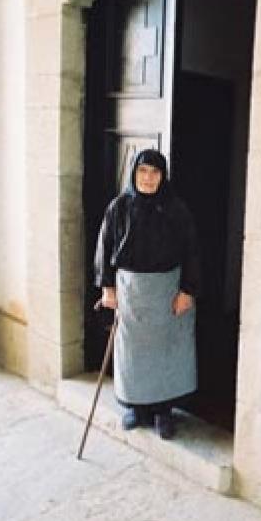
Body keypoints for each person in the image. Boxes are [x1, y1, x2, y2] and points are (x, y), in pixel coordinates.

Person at [93, 149, 200, 439]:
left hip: (167, 291)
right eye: (143, 171)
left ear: (163, 176)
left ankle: (163, 411)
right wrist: (108, 289)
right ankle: (135, 408)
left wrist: (187, 291)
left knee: (165, 353)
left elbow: (191, 251)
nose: (149, 178)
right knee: (133, 353)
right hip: (132, 292)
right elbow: (104, 248)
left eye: (155, 172)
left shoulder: (177, 209)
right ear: (134, 173)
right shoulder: (119, 207)